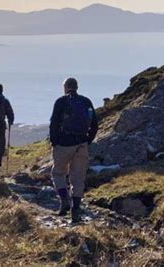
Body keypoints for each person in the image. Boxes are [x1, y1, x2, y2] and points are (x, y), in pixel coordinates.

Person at [49, 77, 98, 223]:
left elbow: (54, 123)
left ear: (65, 87)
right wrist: (87, 140)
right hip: (81, 144)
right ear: (77, 87)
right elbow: (94, 124)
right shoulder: (86, 101)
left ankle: (64, 199)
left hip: (64, 143)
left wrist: (55, 142)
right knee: (78, 178)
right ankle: (75, 210)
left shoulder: (61, 102)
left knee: (58, 173)